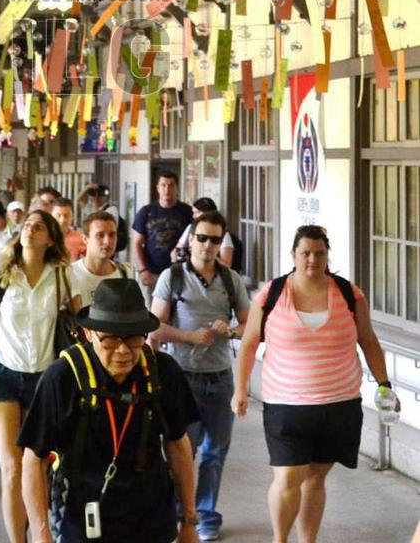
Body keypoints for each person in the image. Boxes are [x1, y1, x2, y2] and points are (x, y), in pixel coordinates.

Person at [231, 225, 400, 543]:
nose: (313, 259)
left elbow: (368, 340)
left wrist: (384, 384)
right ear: (294, 255)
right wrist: (240, 389)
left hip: (339, 403)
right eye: (306, 253)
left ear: (327, 255)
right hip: (286, 403)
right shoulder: (272, 293)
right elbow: (251, 342)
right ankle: (280, 539)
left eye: (319, 253)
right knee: (288, 476)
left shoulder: (349, 293)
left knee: (316, 478)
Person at [20, 278, 201, 543]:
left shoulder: (163, 371)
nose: (123, 351)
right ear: (90, 334)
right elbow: (33, 458)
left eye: (133, 339)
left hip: (151, 518)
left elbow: (177, 444)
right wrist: (40, 533)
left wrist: (188, 520)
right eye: (112, 340)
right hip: (83, 518)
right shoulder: (62, 377)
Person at [0, 209, 80, 543]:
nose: (29, 230)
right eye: (26, 225)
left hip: (46, 380)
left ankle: (41, 531)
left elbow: (83, 326)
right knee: (11, 467)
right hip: (4, 377)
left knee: (35, 464)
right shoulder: (0, 273)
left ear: (50, 238)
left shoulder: (63, 276)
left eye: (38, 227)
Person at [151, 210, 250, 542]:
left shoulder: (230, 280)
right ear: (191, 239)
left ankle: (205, 515)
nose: (208, 246)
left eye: (215, 240)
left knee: (215, 453)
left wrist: (231, 330)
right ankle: (181, 513)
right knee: (182, 450)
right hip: (182, 377)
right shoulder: (172, 277)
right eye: (203, 238)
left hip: (220, 378)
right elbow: (154, 326)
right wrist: (189, 337)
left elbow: (251, 326)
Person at [133, 171, 192, 303]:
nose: (167, 189)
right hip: (152, 272)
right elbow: (137, 243)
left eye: (171, 185)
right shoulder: (146, 212)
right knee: (150, 312)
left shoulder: (187, 212)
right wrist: (143, 270)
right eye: (163, 185)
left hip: (179, 273)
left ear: (177, 188)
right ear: (158, 188)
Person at [70, 210, 132, 308]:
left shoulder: (125, 273)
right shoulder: (70, 273)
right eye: (100, 235)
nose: (107, 242)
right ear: (85, 239)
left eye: (112, 235)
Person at [172, 197, 236, 270]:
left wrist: (208, 255)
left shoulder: (223, 233)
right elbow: (176, 250)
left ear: (207, 213)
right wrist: (178, 255)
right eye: (201, 238)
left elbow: (227, 265)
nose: (193, 216)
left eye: (197, 212)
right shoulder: (190, 228)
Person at [51, 197, 85, 262]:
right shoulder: (44, 237)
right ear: (51, 216)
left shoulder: (81, 239)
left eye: (66, 216)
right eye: (58, 215)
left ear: (73, 216)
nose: (63, 220)